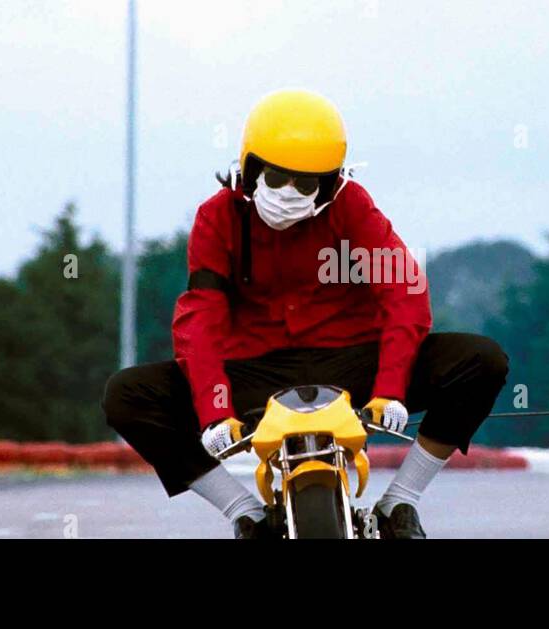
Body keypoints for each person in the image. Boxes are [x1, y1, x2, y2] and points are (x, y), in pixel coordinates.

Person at [101, 89, 508, 539]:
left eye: (306, 184)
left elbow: (404, 291)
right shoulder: (217, 217)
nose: (288, 194)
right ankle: (245, 514)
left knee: (482, 359)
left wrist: (390, 387)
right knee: (126, 394)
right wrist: (215, 409)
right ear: (249, 168)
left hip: (354, 363)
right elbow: (200, 317)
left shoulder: (352, 207)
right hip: (252, 371)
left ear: (332, 183)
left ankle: (400, 504)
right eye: (275, 178)